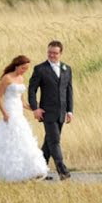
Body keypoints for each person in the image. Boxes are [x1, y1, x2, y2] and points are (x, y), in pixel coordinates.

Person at [27, 40, 74, 181]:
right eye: (49, 52)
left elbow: (69, 91)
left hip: (61, 113)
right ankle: (62, 171)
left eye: (55, 53)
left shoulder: (67, 69)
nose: (52, 55)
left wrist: (70, 111)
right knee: (54, 141)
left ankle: (39, 171)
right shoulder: (40, 69)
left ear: (60, 53)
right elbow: (32, 90)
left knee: (49, 142)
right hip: (47, 112)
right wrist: (35, 108)